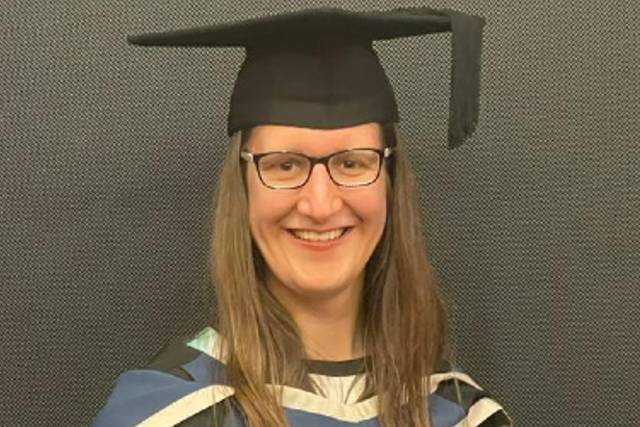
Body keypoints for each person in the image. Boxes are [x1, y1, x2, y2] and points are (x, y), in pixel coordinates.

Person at [92, 6, 512, 427]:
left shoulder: (461, 415)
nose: (320, 204)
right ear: (243, 187)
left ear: (390, 182)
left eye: (352, 163)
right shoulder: (167, 414)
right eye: (285, 164)